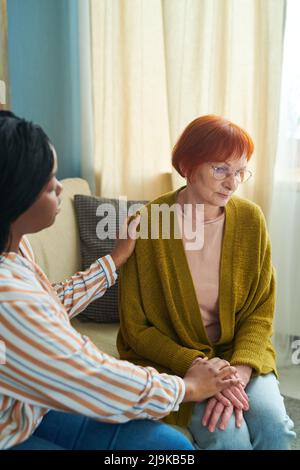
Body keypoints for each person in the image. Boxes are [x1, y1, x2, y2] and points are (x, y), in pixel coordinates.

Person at [0, 110, 240, 451]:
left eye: (239, 170)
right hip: (13, 424)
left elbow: (46, 305)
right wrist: (187, 387)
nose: (59, 187)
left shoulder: (14, 244)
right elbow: (91, 375)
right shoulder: (7, 295)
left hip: (23, 405)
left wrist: (114, 261)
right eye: (47, 180)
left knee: (172, 446)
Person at [117, 115, 296, 450]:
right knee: (229, 438)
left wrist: (236, 375)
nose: (233, 183)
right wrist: (201, 370)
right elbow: (136, 328)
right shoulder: (151, 224)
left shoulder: (250, 220)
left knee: (275, 430)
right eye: (220, 169)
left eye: (241, 171)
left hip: (240, 357)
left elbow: (260, 311)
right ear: (187, 165)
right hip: (177, 363)